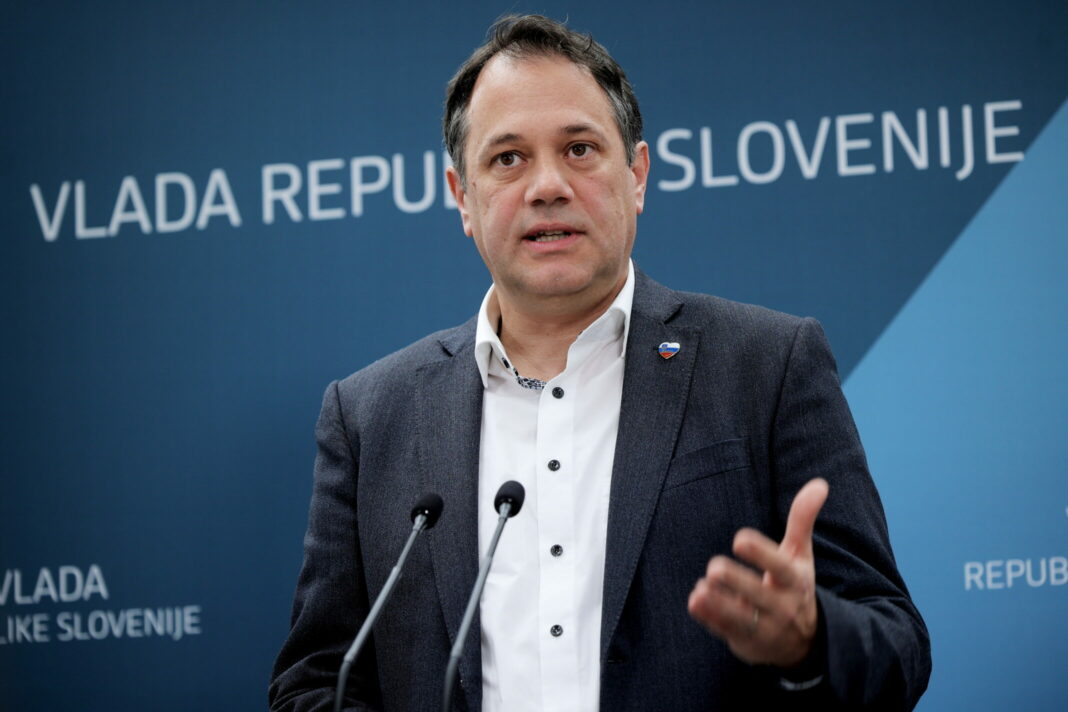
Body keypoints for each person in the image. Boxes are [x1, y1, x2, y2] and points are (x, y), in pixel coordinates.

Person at [269, 14, 930, 712]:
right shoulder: (370, 417)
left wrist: (812, 641)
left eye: (579, 149)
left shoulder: (766, 367)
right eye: (507, 159)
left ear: (637, 175)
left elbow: (896, 645)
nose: (547, 185)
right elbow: (314, 683)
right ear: (463, 198)